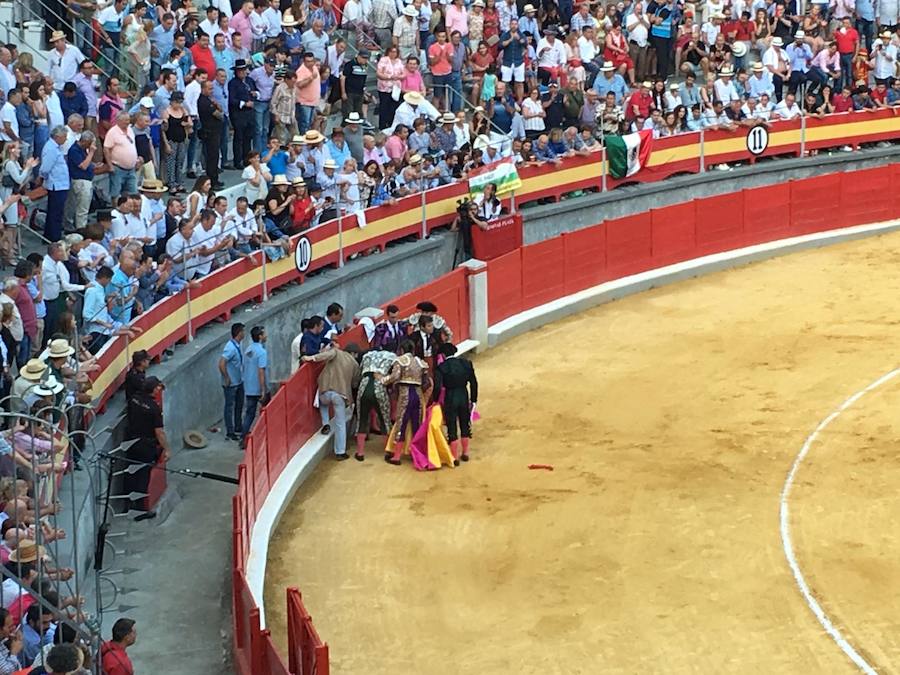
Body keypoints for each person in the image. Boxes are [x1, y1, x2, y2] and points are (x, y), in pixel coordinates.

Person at [302, 341, 361, 460]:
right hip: (341, 395)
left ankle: (325, 423)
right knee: (340, 424)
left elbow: (324, 356)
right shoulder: (355, 364)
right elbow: (355, 383)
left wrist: (310, 358)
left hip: (325, 391)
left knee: (321, 402)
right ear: (354, 353)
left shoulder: (337, 353)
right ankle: (340, 452)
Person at [124, 376, 170, 520]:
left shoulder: (135, 398)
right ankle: (140, 511)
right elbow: (159, 432)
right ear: (154, 389)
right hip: (145, 444)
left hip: (131, 440)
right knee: (142, 476)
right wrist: (167, 448)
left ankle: (127, 503)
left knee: (130, 472)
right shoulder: (153, 408)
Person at [381, 339, 430, 465]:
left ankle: (397, 457)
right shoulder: (420, 362)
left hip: (405, 394)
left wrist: (383, 380)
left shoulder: (400, 361)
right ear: (413, 350)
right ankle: (417, 456)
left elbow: (395, 376)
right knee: (416, 425)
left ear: (401, 350)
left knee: (401, 424)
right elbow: (427, 381)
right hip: (418, 395)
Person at [434, 342, 478, 463]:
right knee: (465, 423)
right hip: (464, 395)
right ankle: (465, 452)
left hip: (450, 396)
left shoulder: (442, 367)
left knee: (452, 425)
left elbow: (437, 387)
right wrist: (473, 400)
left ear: (443, 354)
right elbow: (474, 383)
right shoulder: (466, 364)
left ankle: (454, 457)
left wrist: (435, 400)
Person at [353, 348, 397, 460]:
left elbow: (359, 375)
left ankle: (360, 453)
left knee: (362, 420)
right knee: (384, 420)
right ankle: (388, 451)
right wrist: (386, 381)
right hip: (379, 389)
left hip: (363, 388)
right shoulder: (392, 357)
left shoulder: (366, 356)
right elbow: (395, 376)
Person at [39, 126, 70, 243]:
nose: (65, 140)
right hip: (56, 185)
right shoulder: (51, 148)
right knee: (55, 213)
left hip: (60, 184)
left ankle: (50, 235)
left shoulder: (54, 147)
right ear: (57, 137)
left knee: (55, 211)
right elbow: (45, 168)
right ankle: (53, 237)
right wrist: (45, 179)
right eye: (64, 137)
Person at [240, 325, 268, 445]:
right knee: (268, 412)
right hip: (258, 387)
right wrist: (263, 390)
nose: (266, 335)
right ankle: (265, 437)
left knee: (249, 414)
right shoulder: (262, 352)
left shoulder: (248, 349)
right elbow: (261, 371)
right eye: (264, 334)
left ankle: (243, 439)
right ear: (260, 337)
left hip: (249, 386)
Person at [219, 322, 244, 441]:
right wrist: (227, 377)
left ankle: (238, 427)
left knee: (238, 405)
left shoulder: (237, 345)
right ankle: (230, 431)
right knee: (229, 407)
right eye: (242, 331)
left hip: (238, 381)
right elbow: (222, 363)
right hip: (231, 383)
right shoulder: (230, 347)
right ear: (239, 333)